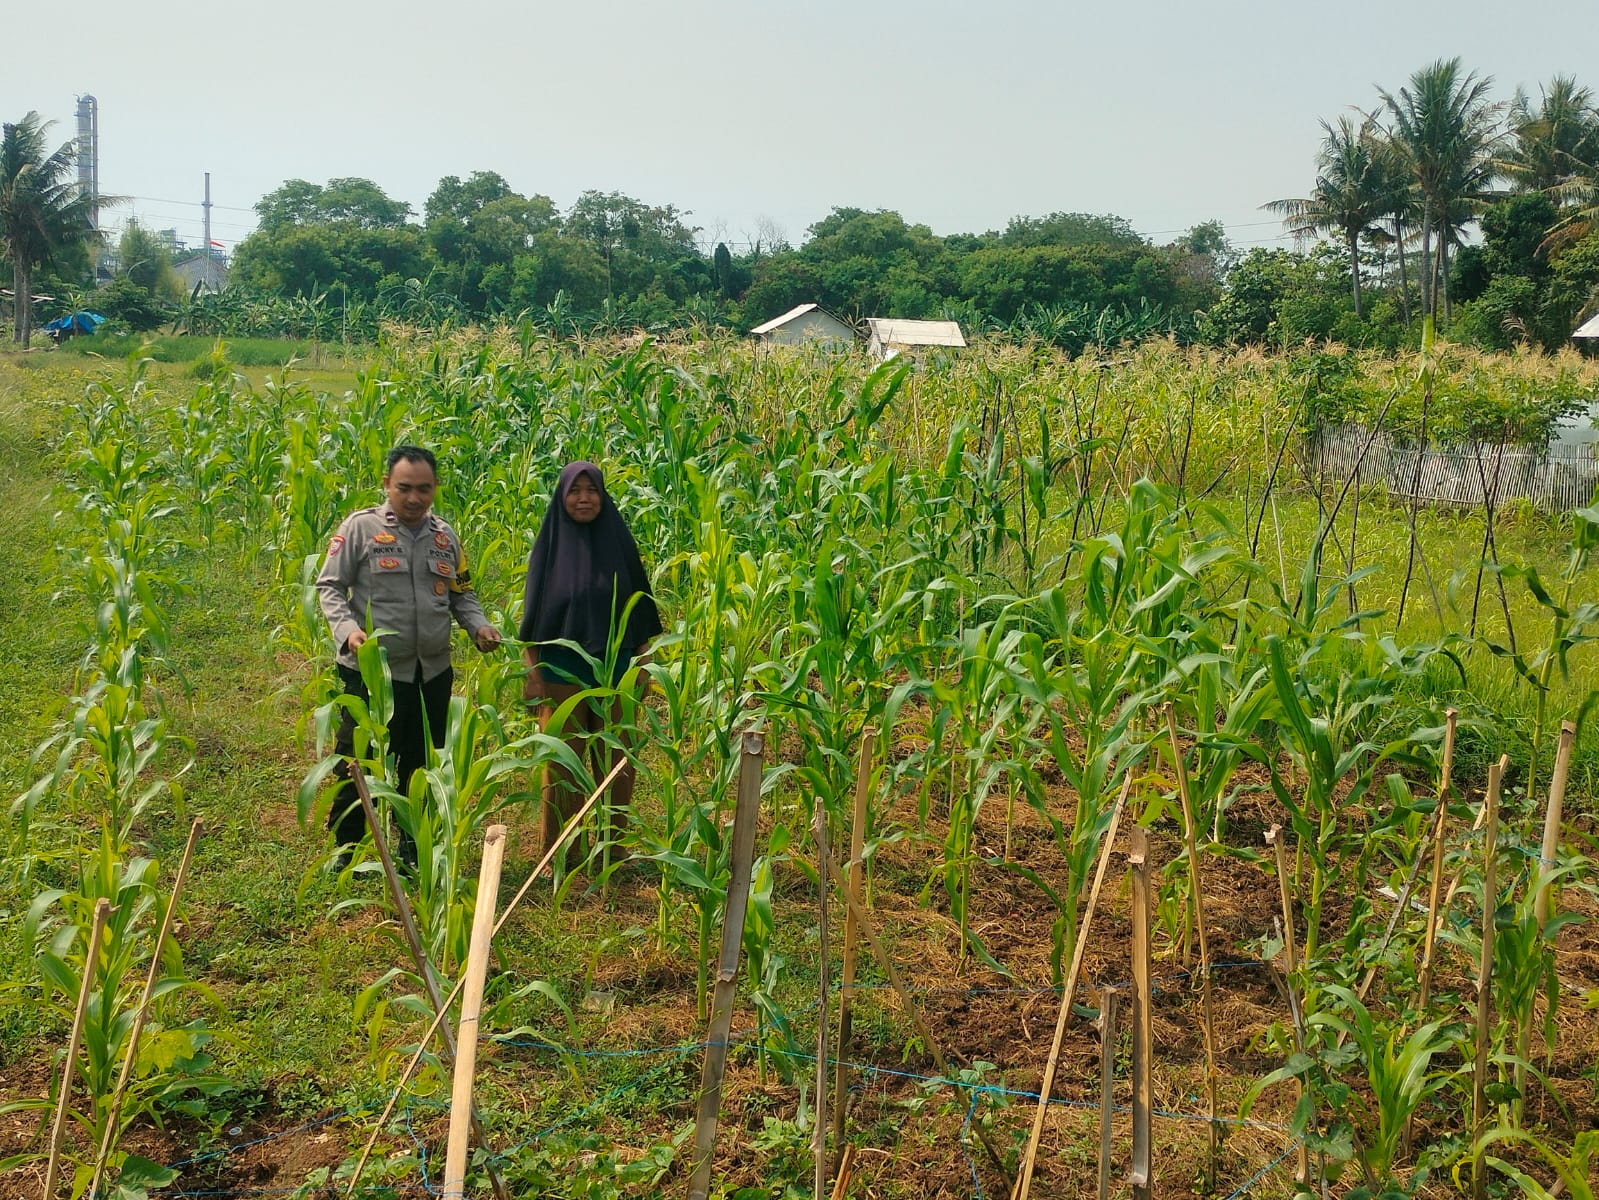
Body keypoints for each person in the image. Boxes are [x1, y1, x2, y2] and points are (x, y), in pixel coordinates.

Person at [317, 445, 502, 861]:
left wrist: (479, 626)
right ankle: (348, 846)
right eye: (404, 488)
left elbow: (462, 594)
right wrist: (348, 631)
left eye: (424, 489)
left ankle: (412, 844)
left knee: (421, 761)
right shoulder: (360, 528)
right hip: (374, 672)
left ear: (435, 488)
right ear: (387, 484)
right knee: (358, 759)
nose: (414, 498)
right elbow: (330, 586)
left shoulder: (445, 536)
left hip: (431, 673)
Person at [519, 461, 662, 866]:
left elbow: (640, 610)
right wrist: (533, 674)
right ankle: (558, 852)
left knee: (616, 761)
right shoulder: (550, 547)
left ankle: (612, 849)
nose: (584, 499)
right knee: (563, 761)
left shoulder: (618, 543)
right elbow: (532, 620)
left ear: (603, 496)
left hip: (616, 668)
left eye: (592, 490)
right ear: (562, 497)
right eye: (575, 491)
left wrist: (644, 665)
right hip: (562, 670)